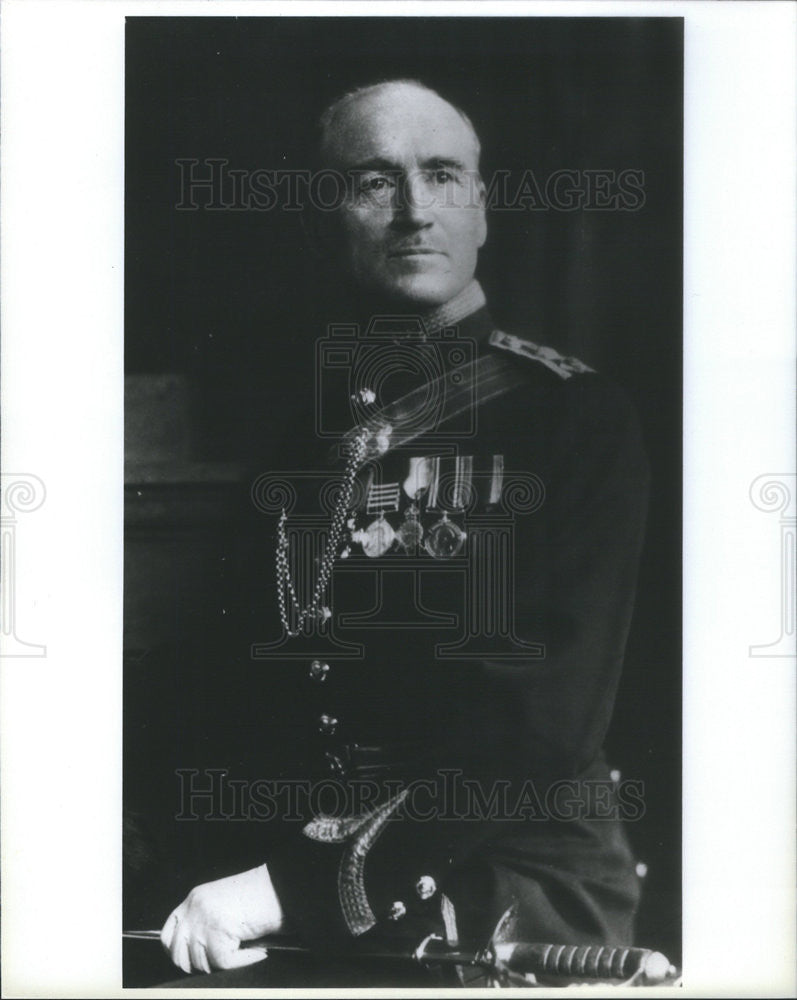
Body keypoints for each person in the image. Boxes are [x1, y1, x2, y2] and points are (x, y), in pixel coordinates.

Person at [158, 78, 651, 985]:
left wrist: (288, 885)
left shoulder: (572, 419)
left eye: (443, 175)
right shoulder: (303, 440)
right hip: (302, 886)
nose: (415, 210)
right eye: (375, 181)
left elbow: (538, 725)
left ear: (483, 209)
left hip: (511, 887)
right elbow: (241, 693)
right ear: (325, 215)